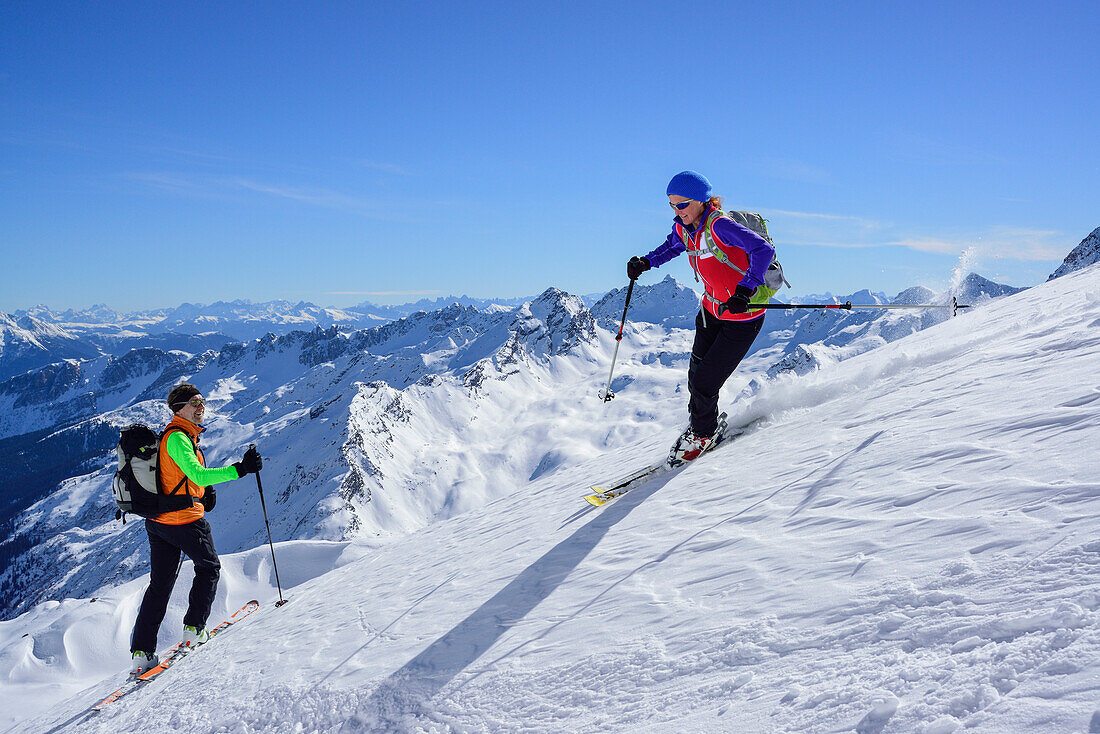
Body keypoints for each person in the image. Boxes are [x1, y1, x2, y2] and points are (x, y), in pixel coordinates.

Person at [626, 170, 775, 464]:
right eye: (672, 205)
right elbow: (671, 247)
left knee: (706, 382)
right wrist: (646, 262)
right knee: (695, 376)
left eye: (682, 204)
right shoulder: (685, 229)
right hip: (711, 310)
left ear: (701, 201)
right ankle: (702, 427)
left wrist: (744, 290)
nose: (677, 211)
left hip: (743, 317)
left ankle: (704, 434)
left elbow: (762, 249)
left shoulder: (719, 225)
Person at [128, 383, 263, 674]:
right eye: (194, 402)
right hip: (185, 521)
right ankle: (194, 629)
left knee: (160, 585)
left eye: (202, 401)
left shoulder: (179, 436)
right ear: (179, 409)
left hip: (159, 522)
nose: (201, 406)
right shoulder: (177, 438)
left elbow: (182, 477)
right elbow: (196, 473)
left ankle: (142, 652)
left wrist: (203, 491)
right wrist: (240, 469)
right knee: (209, 567)